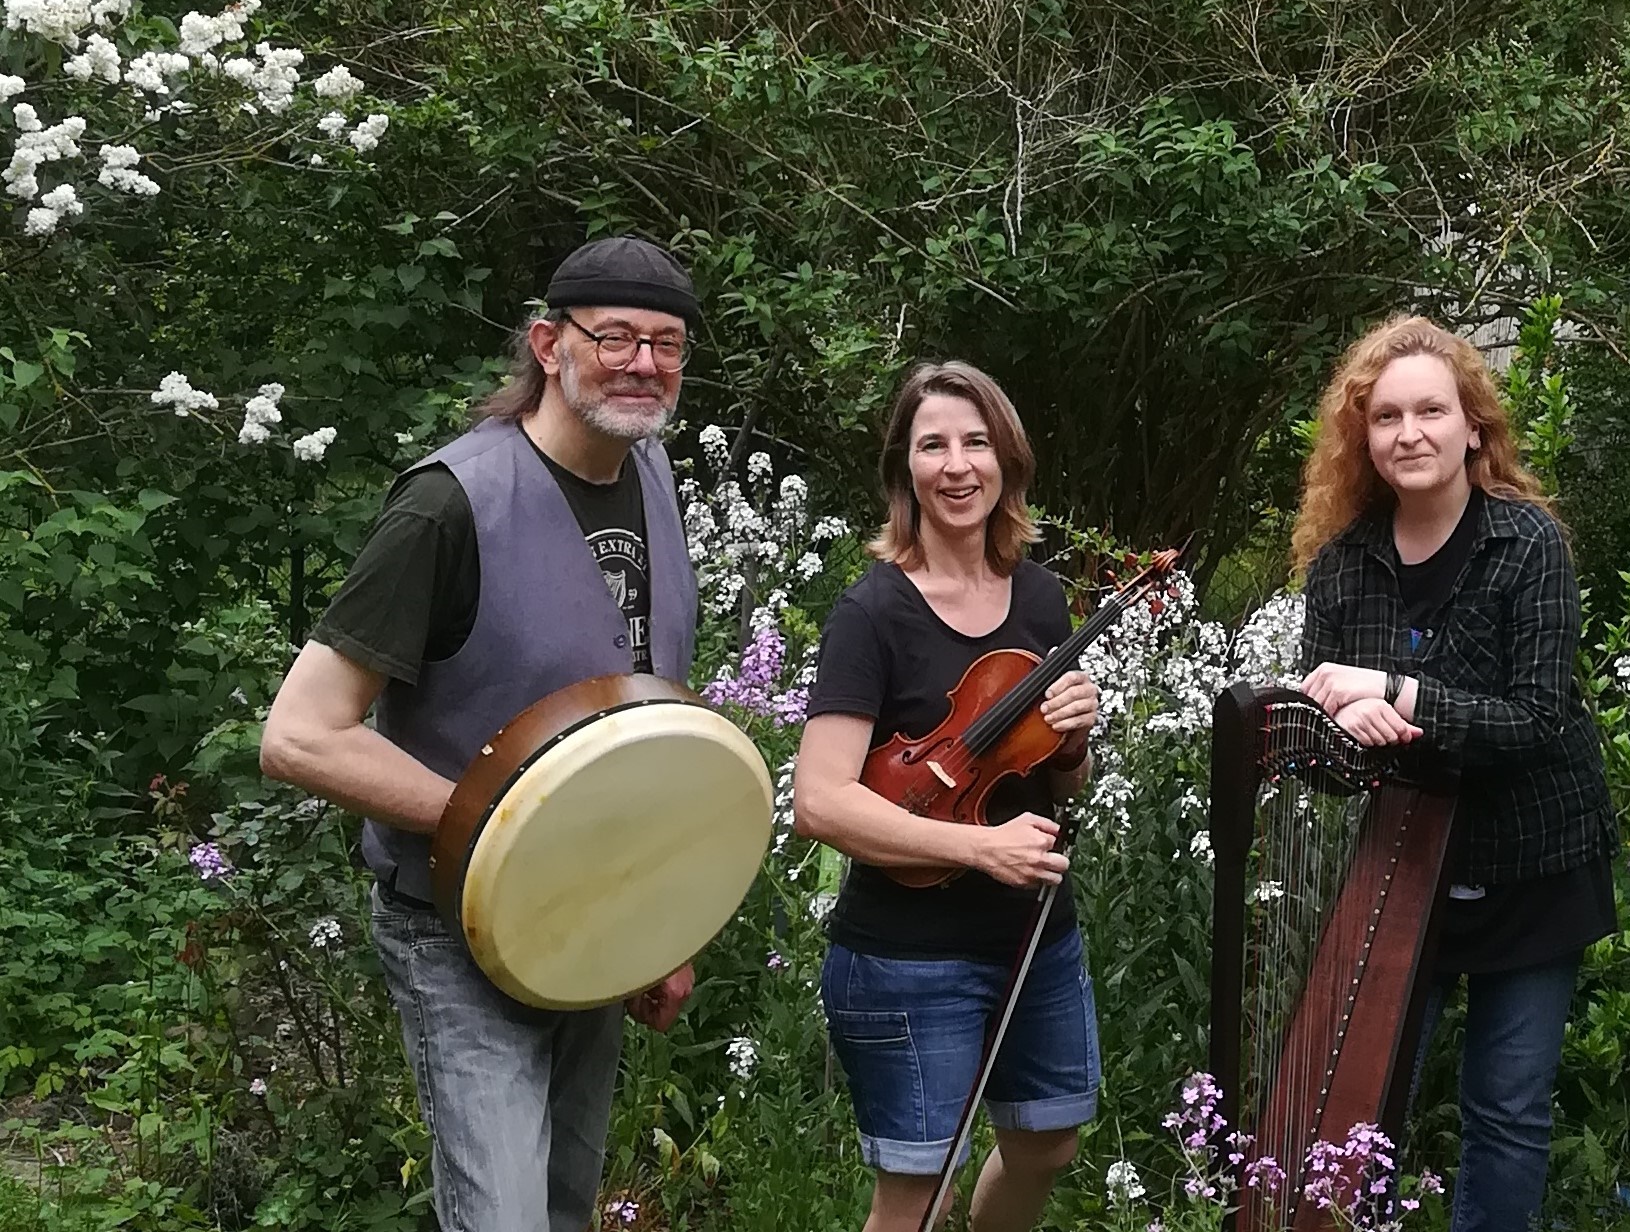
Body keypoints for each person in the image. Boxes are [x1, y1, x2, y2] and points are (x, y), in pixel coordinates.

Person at [260, 236, 706, 1231]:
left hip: (595, 920)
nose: (643, 363)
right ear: (549, 344)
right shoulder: (449, 505)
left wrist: (657, 926)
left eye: (666, 343)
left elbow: (646, 738)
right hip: (453, 925)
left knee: (556, 1208)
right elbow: (298, 734)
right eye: (616, 337)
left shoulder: (655, 476)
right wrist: (503, 824)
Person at [1293, 314, 1619, 1231]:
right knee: (1367, 1111)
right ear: (1365, 438)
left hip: (1534, 860)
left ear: (1474, 425)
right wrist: (1344, 722)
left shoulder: (1529, 544)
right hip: (1405, 872)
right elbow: (1326, 742)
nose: (1411, 433)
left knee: (1507, 1114)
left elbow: (1537, 718)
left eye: (1431, 410)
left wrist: (1395, 689)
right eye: (1388, 416)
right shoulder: (1342, 566)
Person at [792, 360, 1102, 1232]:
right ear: (906, 470)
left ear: (1006, 460)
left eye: (976, 442)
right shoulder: (873, 614)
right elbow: (819, 802)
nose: (957, 465)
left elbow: (1057, 775)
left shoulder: (1040, 597)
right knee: (917, 1198)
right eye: (933, 445)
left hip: (1036, 936)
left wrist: (1075, 736)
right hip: (907, 955)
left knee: (1048, 1142)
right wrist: (978, 849)